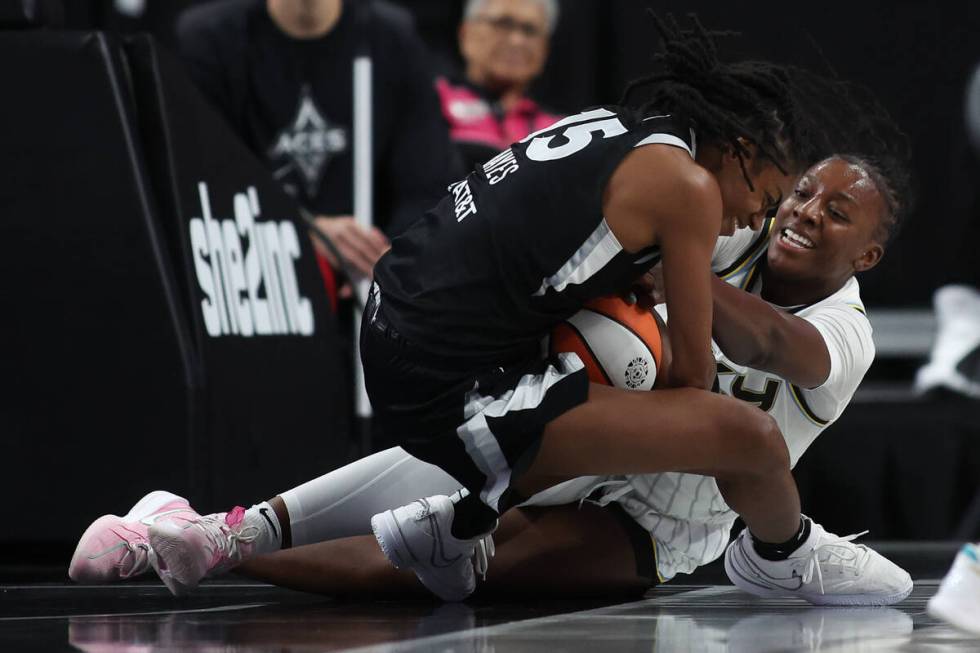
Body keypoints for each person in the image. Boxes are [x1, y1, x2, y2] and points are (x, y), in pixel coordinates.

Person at [70, 153, 915, 605]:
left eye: (835, 213)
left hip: (664, 517)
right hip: (601, 427)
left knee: (471, 573)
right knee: (475, 455)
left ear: (867, 253)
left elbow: (773, 343)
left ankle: (223, 554)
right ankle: (205, 534)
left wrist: (677, 267)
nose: (805, 211)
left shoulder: (849, 330)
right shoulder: (733, 236)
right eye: (803, 193)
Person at [176, 0, 460, 288]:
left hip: (366, 280)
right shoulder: (210, 39)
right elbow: (203, 181)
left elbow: (428, 182)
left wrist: (391, 261)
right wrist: (303, 232)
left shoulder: (391, 37)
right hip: (252, 275)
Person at [437, 0, 562, 171]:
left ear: (545, 48)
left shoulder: (560, 131)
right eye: (503, 24)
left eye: (530, 30)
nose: (516, 40)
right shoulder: (430, 101)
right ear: (465, 34)